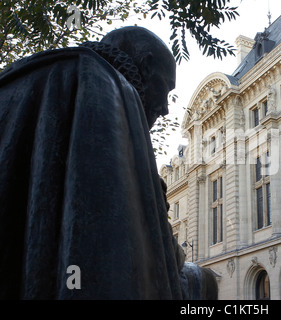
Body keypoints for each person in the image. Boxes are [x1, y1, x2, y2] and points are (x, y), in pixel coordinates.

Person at [0, 26, 188, 299]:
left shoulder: (23, 77)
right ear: (145, 66)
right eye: (165, 88)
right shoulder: (108, 87)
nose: (164, 106)